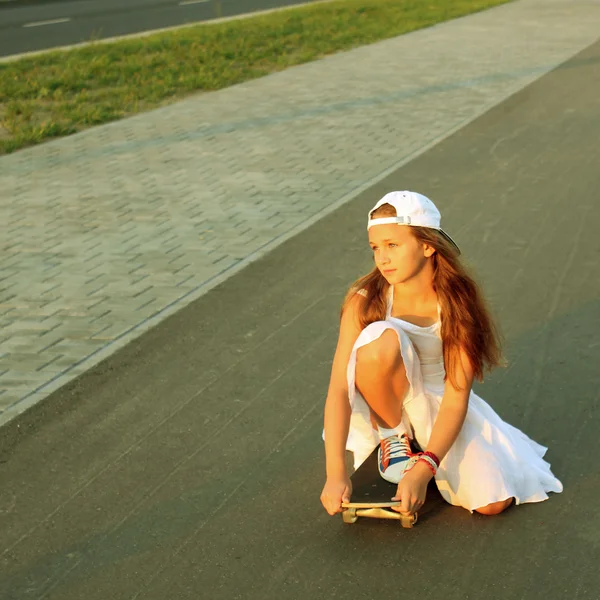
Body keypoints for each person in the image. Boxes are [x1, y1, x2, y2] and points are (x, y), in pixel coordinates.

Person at [320, 191, 563, 517]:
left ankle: (424, 455)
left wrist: (425, 470)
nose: (383, 258)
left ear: (427, 245)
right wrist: (335, 473)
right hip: (385, 407)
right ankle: (395, 440)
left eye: (393, 245)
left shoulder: (456, 302)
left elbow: (456, 395)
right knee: (380, 339)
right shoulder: (365, 298)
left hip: (438, 405)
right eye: (375, 248)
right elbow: (339, 387)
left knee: (493, 503)